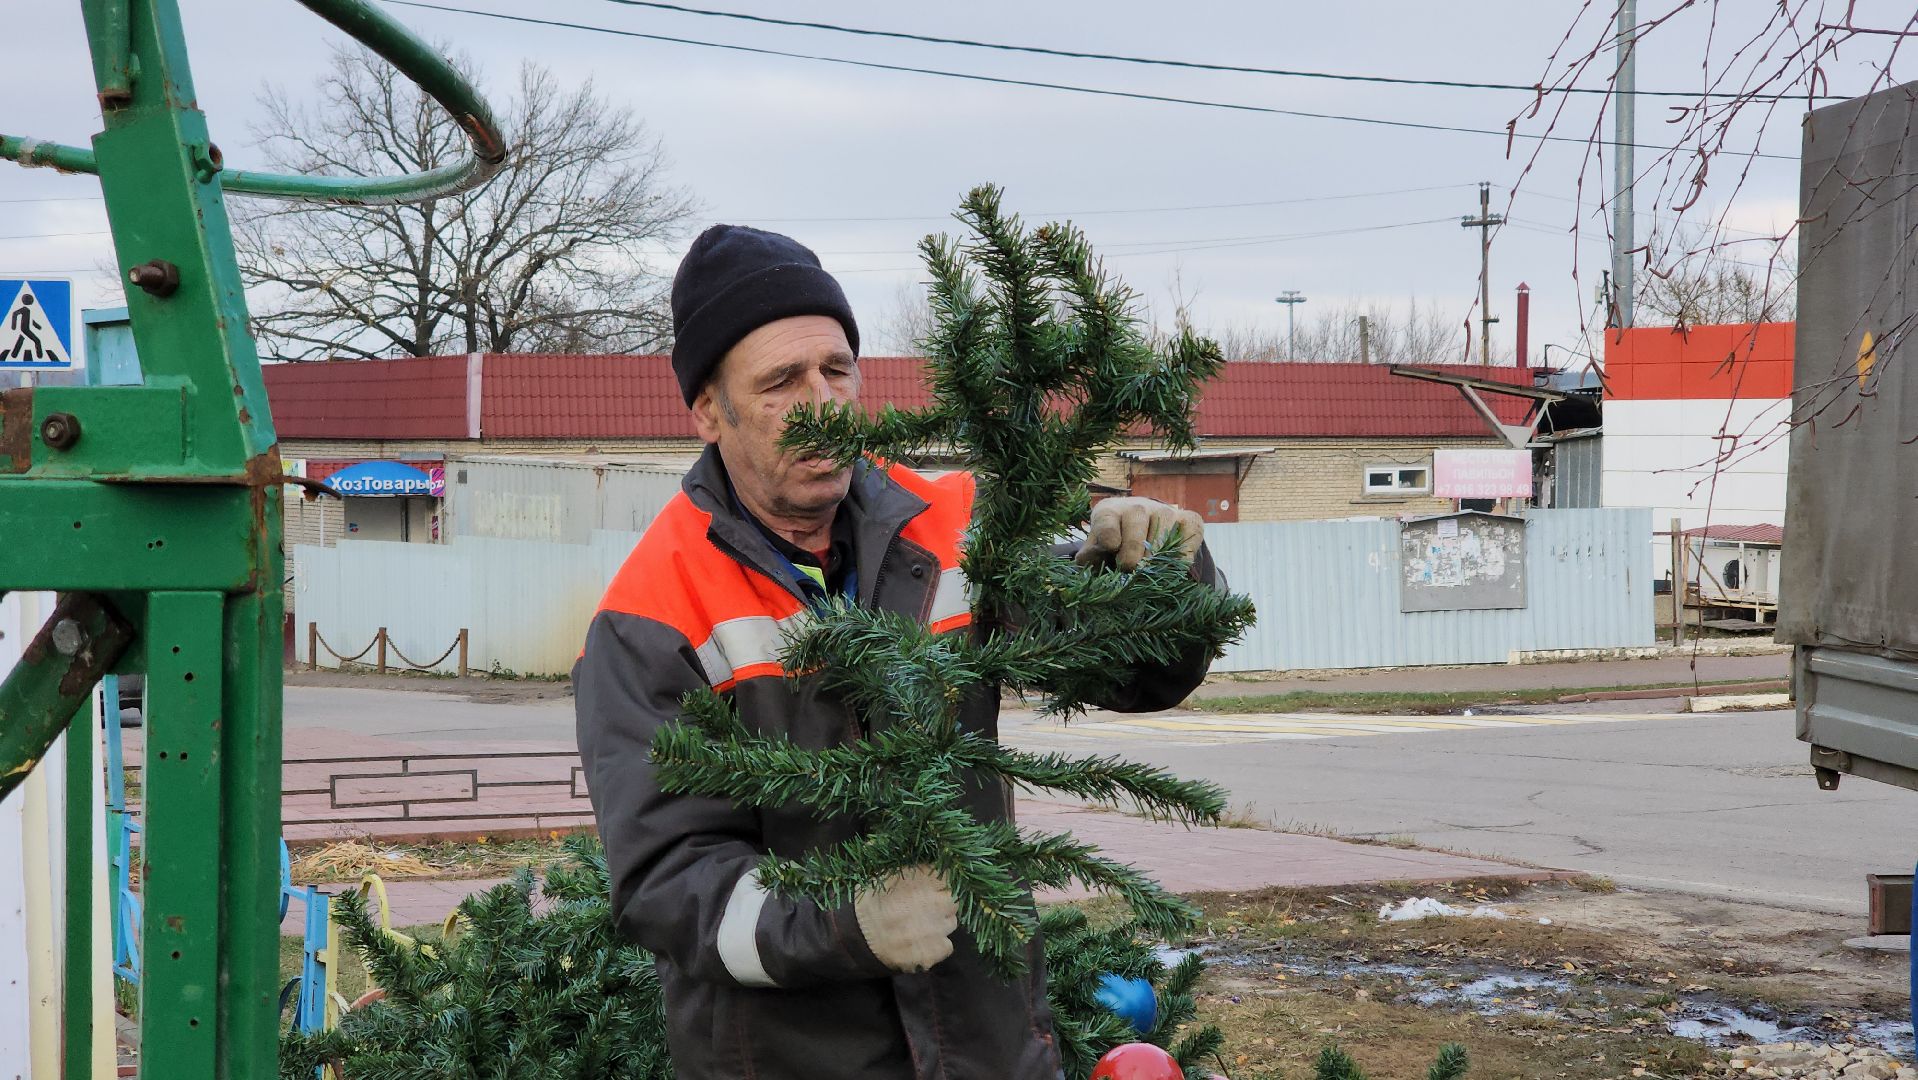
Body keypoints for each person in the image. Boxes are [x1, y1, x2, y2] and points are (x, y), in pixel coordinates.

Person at [575, 224, 1221, 1080]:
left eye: (836, 370)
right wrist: (846, 921)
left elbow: (1133, 670)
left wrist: (1162, 579)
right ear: (707, 410)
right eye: (779, 382)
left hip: (990, 1054)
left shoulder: (952, 523)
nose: (822, 403)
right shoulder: (653, 612)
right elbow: (667, 883)